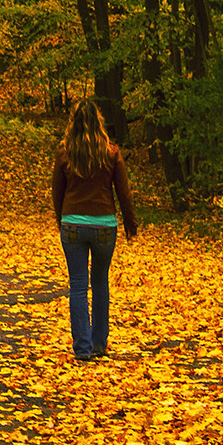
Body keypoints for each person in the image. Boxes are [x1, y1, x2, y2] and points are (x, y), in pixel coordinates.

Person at [50, 101, 139, 362]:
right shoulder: (111, 153)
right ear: (98, 121)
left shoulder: (65, 152)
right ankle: (100, 343)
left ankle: (82, 348)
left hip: (73, 225)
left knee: (78, 285)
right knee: (100, 282)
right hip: (104, 226)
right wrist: (130, 224)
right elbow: (123, 192)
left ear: (73, 123)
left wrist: (62, 220)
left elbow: (57, 192)